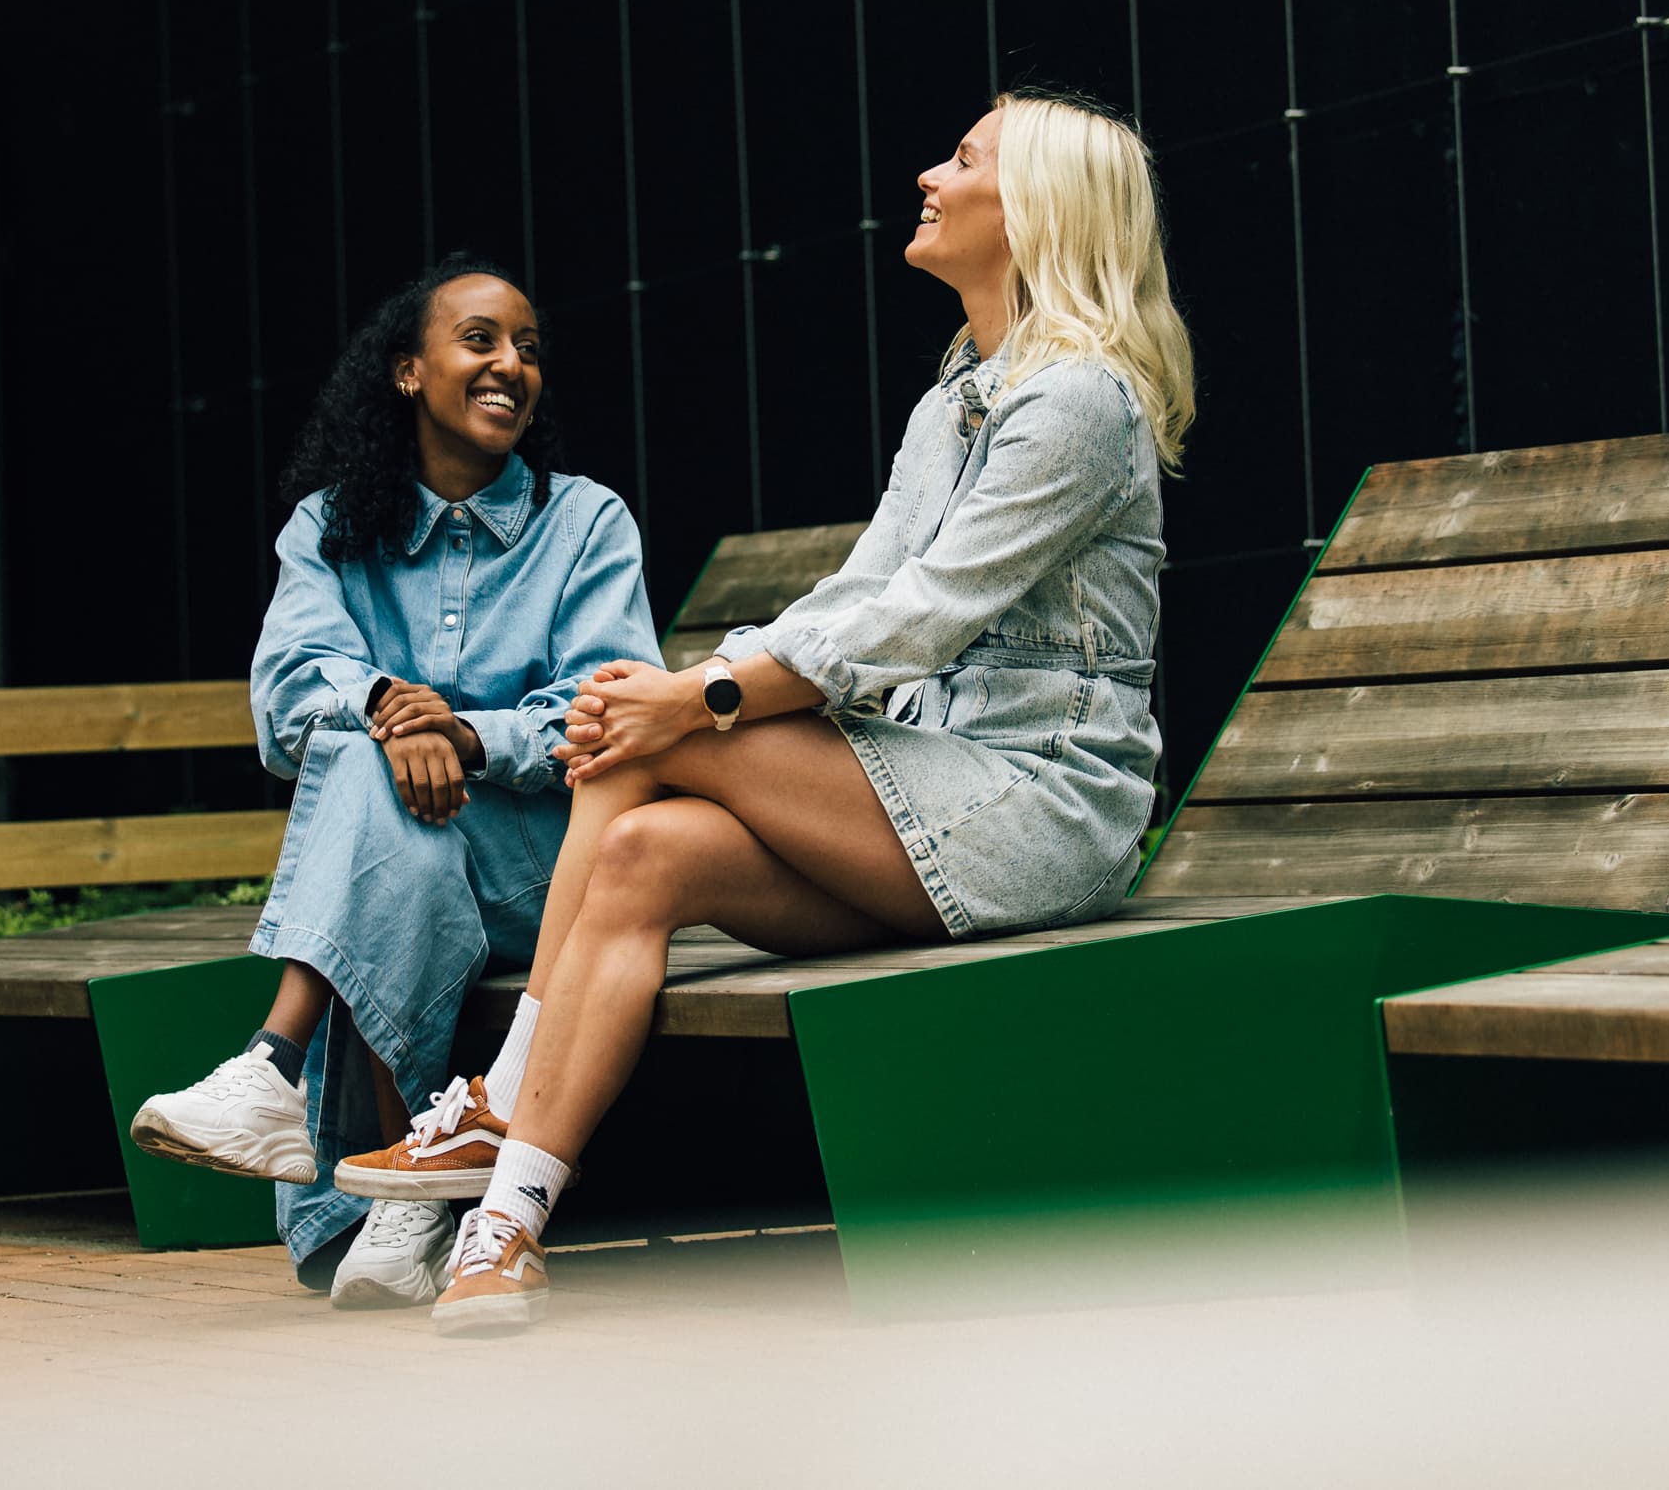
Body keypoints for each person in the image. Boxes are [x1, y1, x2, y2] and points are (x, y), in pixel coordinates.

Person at [336, 89, 1198, 1336]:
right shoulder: (953, 398)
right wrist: (687, 689)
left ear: (1036, 210)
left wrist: (697, 695)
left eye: (962, 159)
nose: (929, 175)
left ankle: (497, 1100)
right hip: (926, 789)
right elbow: (858, 588)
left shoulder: (1078, 402)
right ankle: (508, 1222)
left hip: (1041, 802)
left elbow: (922, 615)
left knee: (641, 738)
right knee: (640, 848)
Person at [127, 255, 661, 1309]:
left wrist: (461, 735)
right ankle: (404, 1204)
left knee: (375, 784)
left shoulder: (584, 523)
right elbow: (286, 696)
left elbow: (604, 713)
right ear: (409, 370)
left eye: (528, 349)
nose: (511, 364)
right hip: (404, 869)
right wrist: (385, 707)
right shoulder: (329, 527)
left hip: (550, 880)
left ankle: (272, 1066)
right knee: (376, 782)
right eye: (480, 340)